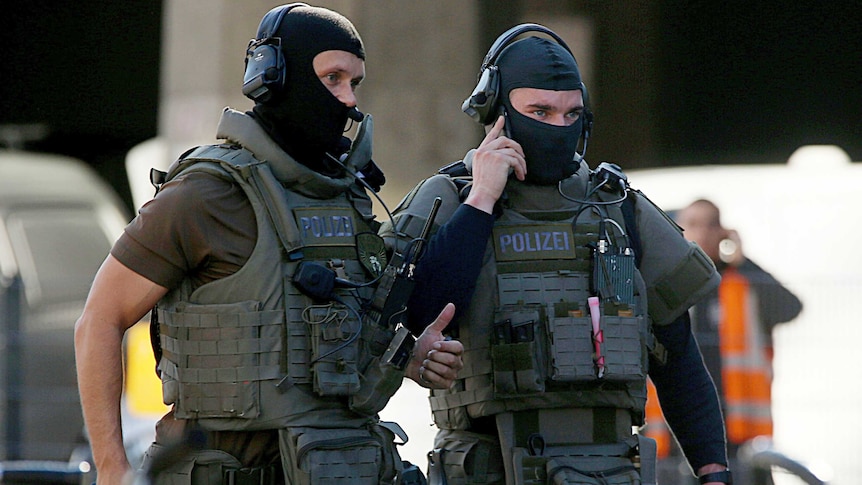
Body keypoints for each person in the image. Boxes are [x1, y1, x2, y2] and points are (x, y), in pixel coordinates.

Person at [74, 4, 467, 484]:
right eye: (333, 78)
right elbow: (99, 319)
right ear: (276, 78)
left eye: (355, 83)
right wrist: (112, 470)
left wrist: (408, 355)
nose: (348, 100)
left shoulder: (346, 197)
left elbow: (338, 334)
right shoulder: (207, 193)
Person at [382, 24, 733, 485]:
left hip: (607, 468)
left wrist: (713, 472)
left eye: (571, 115)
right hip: (488, 465)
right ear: (496, 111)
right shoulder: (448, 199)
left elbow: (680, 358)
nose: (557, 128)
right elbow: (412, 312)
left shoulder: (618, 208)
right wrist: (482, 201)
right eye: (539, 111)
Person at [644, 198, 803, 483]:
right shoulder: (666, 282)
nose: (702, 233)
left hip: (738, 436)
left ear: (724, 233)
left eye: (711, 225)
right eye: (693, 224)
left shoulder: (742, 282)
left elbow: (791, 308)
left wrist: (744, 261)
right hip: (672, 434)